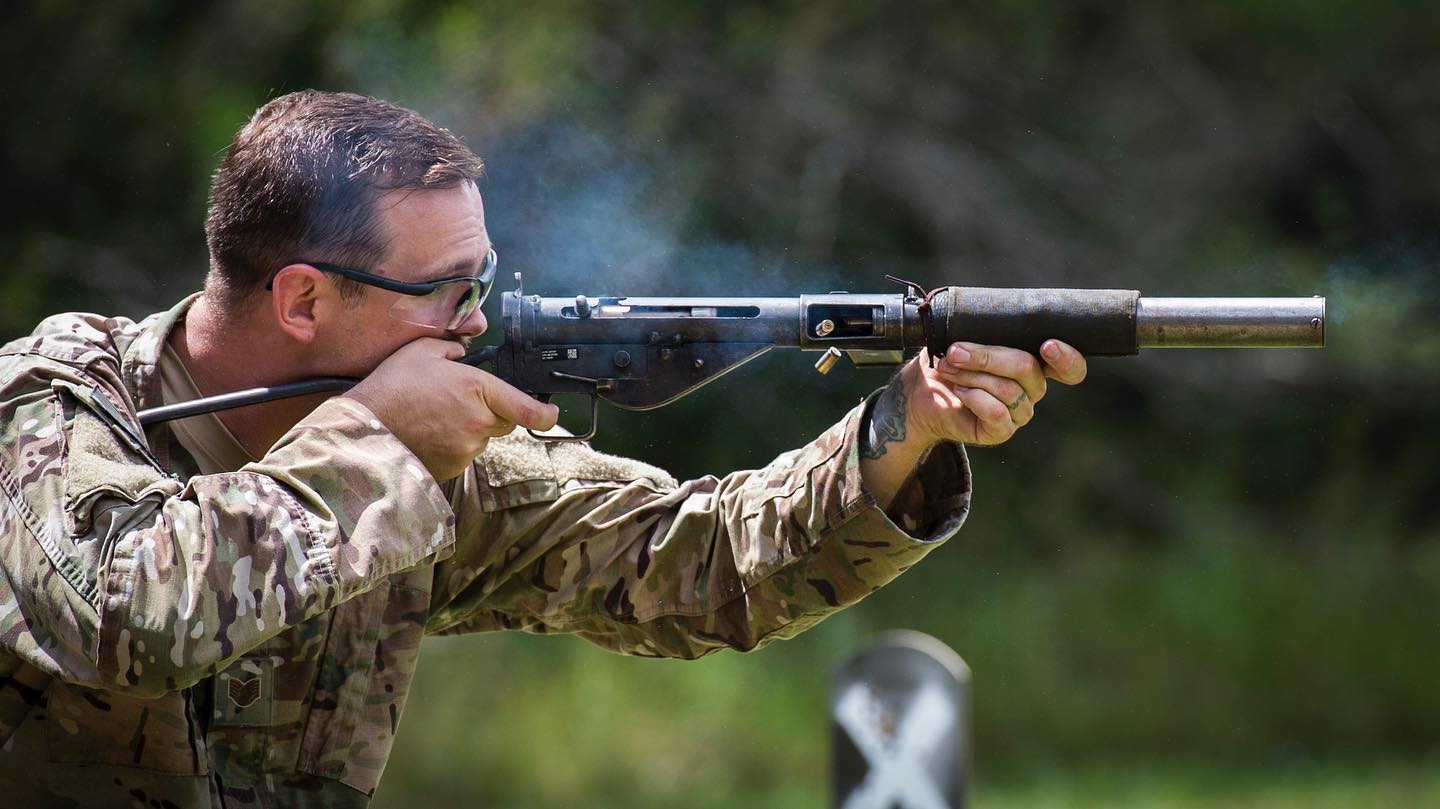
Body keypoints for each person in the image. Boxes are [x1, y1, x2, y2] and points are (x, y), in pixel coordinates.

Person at [0, 90, 1086, 808]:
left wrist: (910, 422)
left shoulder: (418, 446)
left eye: (485, 277)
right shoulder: (54, 401)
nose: (478, 319)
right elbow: (118, 618)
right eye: (446, 292)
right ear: (301, 298)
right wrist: (378, 441)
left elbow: (695, 566)